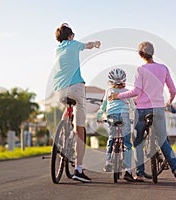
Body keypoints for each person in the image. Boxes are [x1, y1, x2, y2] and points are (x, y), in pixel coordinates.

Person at [109, 41, 176, 182]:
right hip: (158, 109)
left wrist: (117, 95)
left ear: (140, 54)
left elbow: (136, 91)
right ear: (152, 53)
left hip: (142, 110)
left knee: (137, 141)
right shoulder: (164, 68)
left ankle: (140, 174)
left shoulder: (141, 69)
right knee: (163, 141)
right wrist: (169, 102)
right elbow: (173, 90)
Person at [53, 23, 101, 183]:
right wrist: (95, 44)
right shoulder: (74, 44)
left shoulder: (57, 50)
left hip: (60, 91)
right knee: (80, 129)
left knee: (67, 108)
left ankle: (60, 136)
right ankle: (78, 169)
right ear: (70, 36)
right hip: (76, 89)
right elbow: (87, 45)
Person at [96, 68, 136, 182]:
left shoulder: (108, 91)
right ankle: (128, 171)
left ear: (110, 81)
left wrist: (99, 117)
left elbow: (103, 106)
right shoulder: (127, 91)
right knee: (127, 142)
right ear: (124, 80)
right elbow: (133, 107)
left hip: (111, 116)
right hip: (124, 116)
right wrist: (137, 117)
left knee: (111, 138)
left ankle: (108, 161)